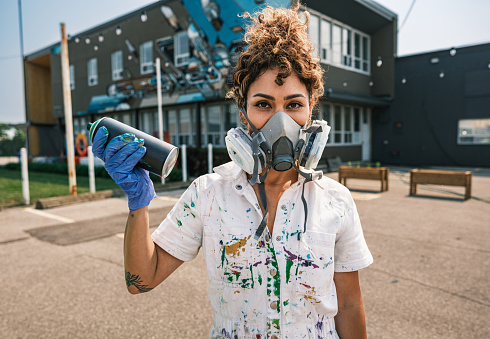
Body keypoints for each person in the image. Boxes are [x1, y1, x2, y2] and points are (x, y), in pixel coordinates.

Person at [92, 3, 373, 338]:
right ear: (243, 113)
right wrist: (138, 204)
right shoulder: (208, 193)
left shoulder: (336, 201)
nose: (279, 122)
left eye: (294, 104)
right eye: (263, 104)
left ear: (311, 109)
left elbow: (351, 306)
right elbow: (142, 279)